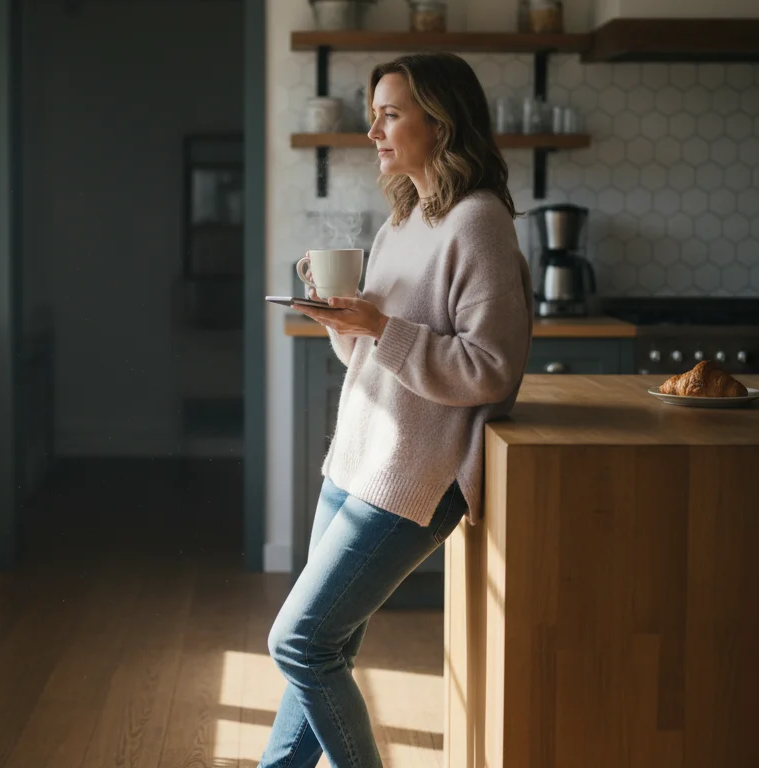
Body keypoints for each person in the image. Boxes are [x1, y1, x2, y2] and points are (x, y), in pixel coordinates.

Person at [261, 52, 535, 767]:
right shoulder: (404, 219)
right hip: (355, 459)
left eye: (391, 114)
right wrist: (341, 320)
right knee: (321, 648)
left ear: (440, 123)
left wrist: (383, 328)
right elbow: (370, 358)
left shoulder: (478, 223)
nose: (375, 131)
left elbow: (492, 370)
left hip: (416, 476)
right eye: (373, 114)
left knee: (299, 641)